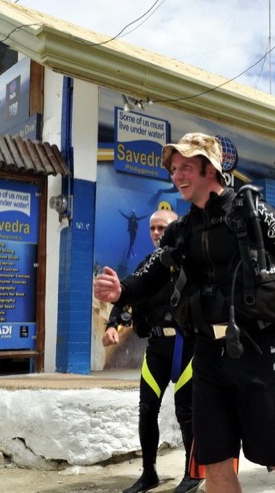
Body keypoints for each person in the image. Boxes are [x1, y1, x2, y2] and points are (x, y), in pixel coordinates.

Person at [94, 132, 275, 492]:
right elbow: (153, 272)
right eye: (174, 169)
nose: (177, 175)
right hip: (207, 355)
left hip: (258, 351)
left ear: (210, 169)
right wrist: (122, 291)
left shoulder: (253, 213)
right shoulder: (181, 230)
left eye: (186, 167)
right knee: (215, 460)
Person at [103, 209, 200, 493]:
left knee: (186, 411)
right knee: (146, 410)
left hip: (189, 347)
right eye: (153, 228)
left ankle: (192, 474)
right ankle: (149, 474)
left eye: (163, 228)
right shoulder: (149, 264)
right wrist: (112, 325)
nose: (157, 233)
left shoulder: (193, 262)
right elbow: (128, 291)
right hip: (157, 347)